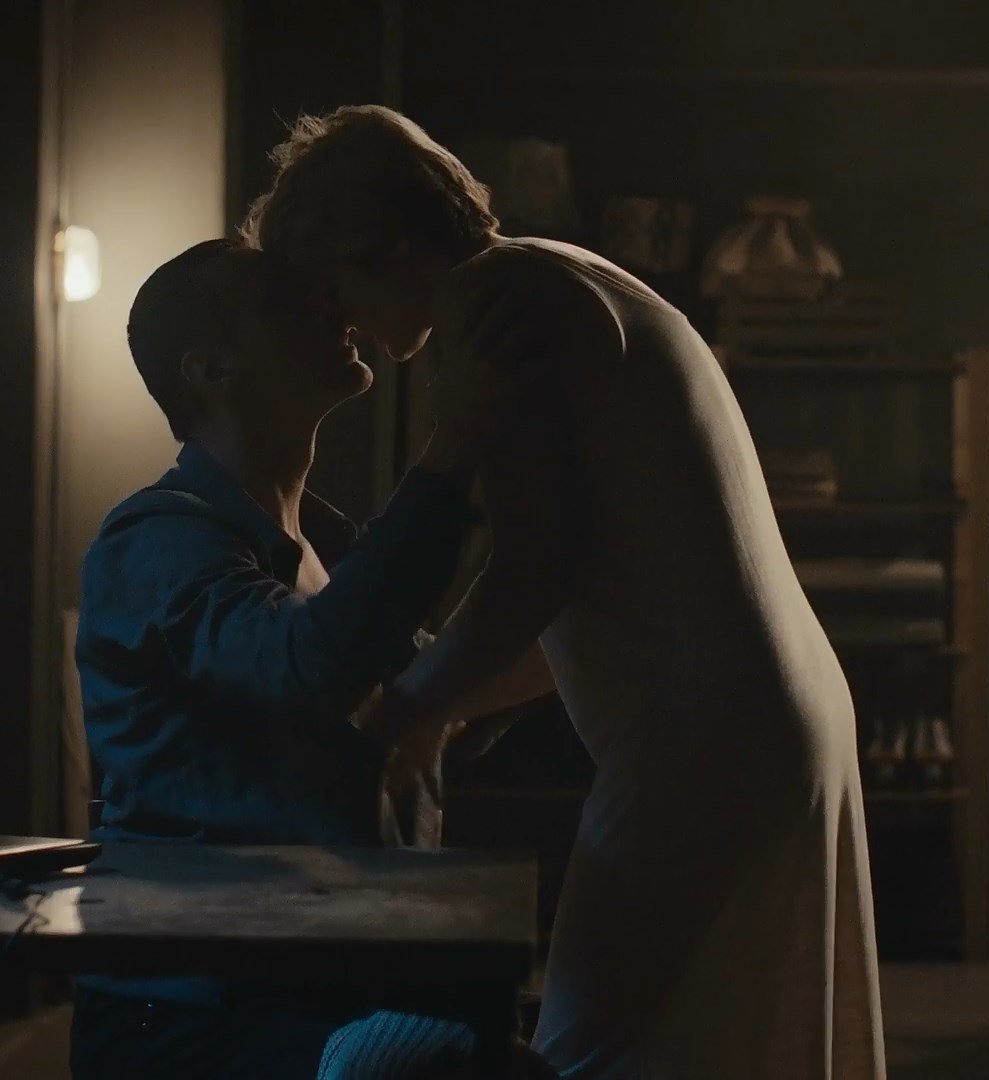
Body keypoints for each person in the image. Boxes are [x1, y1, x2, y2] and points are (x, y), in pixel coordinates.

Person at [244, 106, 886, 1079]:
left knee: (595, 1047)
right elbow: (585, 594)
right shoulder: (564, 271)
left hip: (698, 742)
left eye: (335, 291)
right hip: (773, 716)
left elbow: (533, 569)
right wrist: (453, 707)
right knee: (709, 1046)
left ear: (381, 245)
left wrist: (400, 715)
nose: (345, 326)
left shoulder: (496, 301)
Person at [72, 239, 551, 1079]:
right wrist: (455, 441)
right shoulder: (156, 538)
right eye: (285, 303)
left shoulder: (320, 545)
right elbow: (310, 668)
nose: (330, 308)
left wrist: (598, 633)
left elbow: (434, 697)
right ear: (210, 370)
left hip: (325, 993)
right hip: (197, 1024)